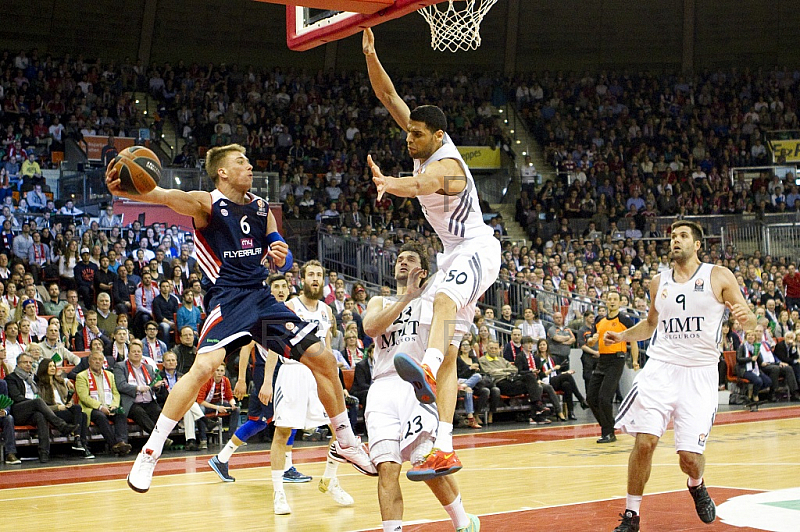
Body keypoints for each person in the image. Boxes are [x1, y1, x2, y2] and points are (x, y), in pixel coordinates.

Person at [108, 144, 373, 493]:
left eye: (247, 161)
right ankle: (150, 453)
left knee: (324, 361)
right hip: (228, 298)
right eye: (241, 162)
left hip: (262, 298)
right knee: (202, 369)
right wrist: (126, 188)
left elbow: (284, 259)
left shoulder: (263, 209)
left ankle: (346, 441)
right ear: (222, 172)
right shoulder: (206, 203)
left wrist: (283, 255)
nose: (249, 166)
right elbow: (161, 194)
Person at [364, 28, 501, 478]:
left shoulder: (448, 166)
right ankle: (444, 444)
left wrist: (388, 184)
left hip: (477, 248)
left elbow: (421, 185)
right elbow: (387, 94)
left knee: (442, 304)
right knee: (450, 347)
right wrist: (370, 54)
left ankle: (424, 365)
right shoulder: (423, 142)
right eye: (409, 132)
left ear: (437, 136)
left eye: (416, 134)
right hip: (451, 254)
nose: (409, 139)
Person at [606, 220, 756, 532]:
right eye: (673, 236)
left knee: (689, 456)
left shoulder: (718, 275)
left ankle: (696, 484)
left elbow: (750, 319)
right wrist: (621, 337)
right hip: (660, 368)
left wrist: (749, 321)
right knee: (645, 442)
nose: (676, 240)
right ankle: (631, 515)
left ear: (697, 244)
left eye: (683, 236)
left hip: (699, 375)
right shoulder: (658, 282)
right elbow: (650, 325)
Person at [361, 242, 480, 532]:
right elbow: (370, 328)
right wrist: (406, 297)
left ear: (423, 270)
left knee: (425, 461)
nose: (402, 262)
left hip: (417, 385)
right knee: (387, 468)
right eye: (399, 258)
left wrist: (418, 295)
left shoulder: (436, 301)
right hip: (381, 388)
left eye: (410, 258)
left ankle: (463, 522)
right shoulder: (381, 301)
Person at [269, 261, 354, 514]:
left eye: (319, 275)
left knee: (339, 429)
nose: (315, 278)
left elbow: (327, 351)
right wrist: (266, 381)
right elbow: (275, 344)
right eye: (311, 275)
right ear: (302, 279)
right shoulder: (289, 307)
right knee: (282, 432)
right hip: (293, 372)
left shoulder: (327, 312)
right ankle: (278, 493)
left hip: (319, 376)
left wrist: (336, 382)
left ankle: (331, 478)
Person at [586, 290, 638, 444]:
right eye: (610, 299)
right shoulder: (599, 320)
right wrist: (591, 340)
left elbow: (633, 340)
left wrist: (634, 360)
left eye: (615, 299)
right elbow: (590, 342)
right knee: (591, 398)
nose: (612, 301)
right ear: (606, 302)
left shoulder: (624, 319)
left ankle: (608, 433)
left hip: (617, 359)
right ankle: (609, 424)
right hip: (602, 359)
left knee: (604, 397)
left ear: (620, 302)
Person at [6, 353, 78, 462]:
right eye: (25, 362)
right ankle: (61, 425)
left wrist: (66, 380)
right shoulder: (11, 378)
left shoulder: (33, 377)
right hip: (19, 410)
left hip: (34, 411)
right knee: (39, 402)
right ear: (18, 364)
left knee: (41, 415)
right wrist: (34, 403)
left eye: (30, 362)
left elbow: (52, 375)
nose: (28, 365)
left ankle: (44, 452)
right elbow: (17, 398)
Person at [75, 350, 132, 457]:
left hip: (109, 406)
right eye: (94, 359)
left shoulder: (109, 375)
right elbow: (84, 397)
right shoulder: (81, 376)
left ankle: (122, 442)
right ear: (89, 361)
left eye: (100, 359)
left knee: (121, 414)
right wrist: (100, 407)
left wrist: (114, 405)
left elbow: (116, 393)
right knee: (100, 416)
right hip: (91, 409)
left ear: (103, 362)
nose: (97, 362)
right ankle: (114, 445)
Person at [36, 357, 94, 458]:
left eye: (54, 366)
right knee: (82, 416)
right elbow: (41, 405)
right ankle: (82, 446)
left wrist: (69, 403)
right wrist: (58, 407)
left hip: (65, 409)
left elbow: (67, 397)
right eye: (50, 366)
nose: (53, 368)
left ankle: (78, 441)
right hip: (52, 412)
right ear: (44, 368)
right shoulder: (40, 384)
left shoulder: (59, 381)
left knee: (78, 409)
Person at [114, 339, 167, 440]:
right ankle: (159, 439)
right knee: (140, 413)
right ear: (128, 354)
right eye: (133, 352)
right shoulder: (120, 366)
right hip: (132, 402)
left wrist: (156, 387)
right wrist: (138, 388)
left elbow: (152, 387)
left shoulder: (148, 367)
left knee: (159, 413)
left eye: (139, 352)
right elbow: (120, 385)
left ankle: (161, 439)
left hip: (148, 400)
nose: (136, 354)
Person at [534, 338, 587, 420]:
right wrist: (552, 369)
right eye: (540, 345)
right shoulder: (536, 358)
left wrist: (565, 372)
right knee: (567, 377)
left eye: (544, 345)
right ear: (538, 347)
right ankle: (581, 399)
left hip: (555, 379)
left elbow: (558, 373)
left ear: (547, 346)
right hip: (546, 381)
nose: (542, 347)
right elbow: (540, 375)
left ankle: (571, 412)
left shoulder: (552, 358)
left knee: (567, 385)